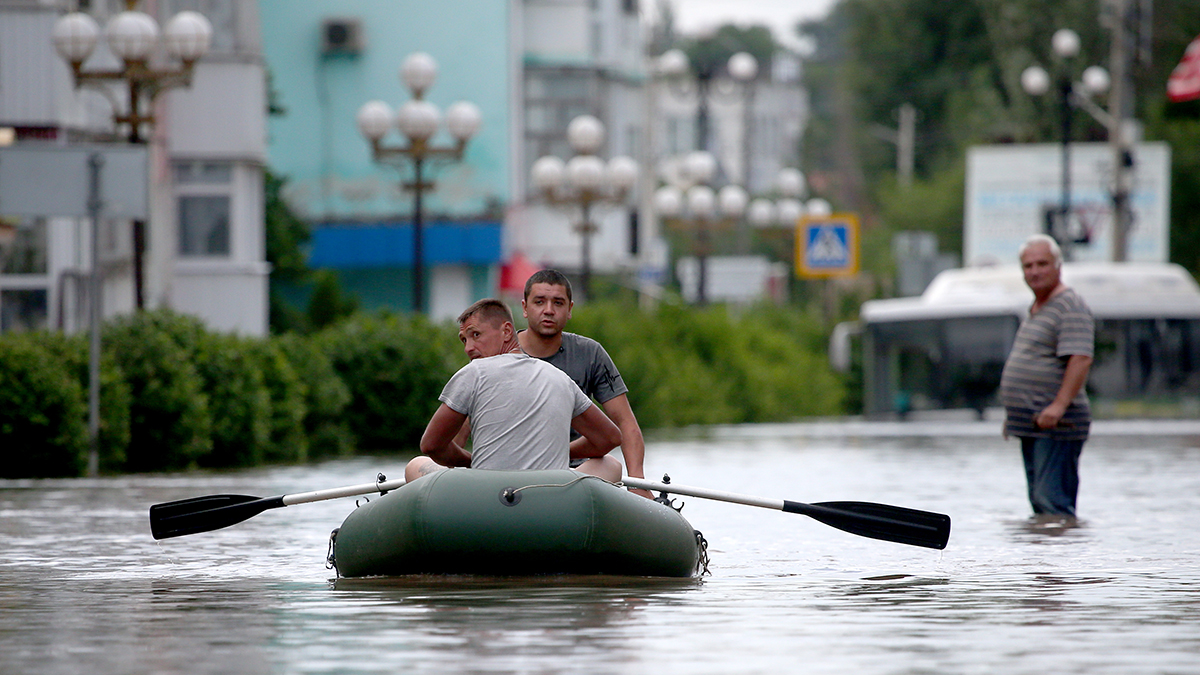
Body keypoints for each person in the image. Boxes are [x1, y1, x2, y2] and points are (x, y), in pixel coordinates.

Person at [405, 298, 622, 483]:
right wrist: (560, 453)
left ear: (507, 331)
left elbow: (431, 445)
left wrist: (470, 462)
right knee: (609, 464)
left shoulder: (473, 373)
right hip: (553, 498)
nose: (468, 348)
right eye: (464, 340)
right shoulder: (560, 377)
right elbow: (609, 438)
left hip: (487, 496)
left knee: (416, 465)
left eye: (476, 335)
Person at [518, 269, 652, 498]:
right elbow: (468, 421)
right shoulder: (500, 354)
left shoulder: (590, 353)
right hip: (513, 470)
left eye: (558, 303)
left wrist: (637, 481)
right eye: (539, 302)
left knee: (610, 465)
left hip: (577, 471)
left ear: (569, 309)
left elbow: (625, 422)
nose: (548, 310)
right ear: (524, 308)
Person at [1000, 234, 1094, 518]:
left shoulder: (1069, 305)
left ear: (1058, 266)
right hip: (1032, 424)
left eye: (1042, 263)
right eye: (1028, 266)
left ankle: (1060, 560)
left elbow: (1080, 358)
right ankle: (1043, 562)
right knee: (1041, 505)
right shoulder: (1038, 308)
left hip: (1058, 426)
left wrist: (1058, 406)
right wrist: (1014, 412)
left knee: (1053, 504)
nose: (1035, 271)